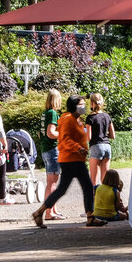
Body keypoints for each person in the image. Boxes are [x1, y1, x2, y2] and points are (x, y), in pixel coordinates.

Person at [31, 96, 107, 228]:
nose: (84, 107)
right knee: (73, 188)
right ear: (74, 106)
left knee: (79, 188)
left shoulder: (76, 120)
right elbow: (65, 139)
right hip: (70, 159)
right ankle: (40, 212)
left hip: (76, 159)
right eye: (81, 104)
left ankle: (90, 216)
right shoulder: (68, 119)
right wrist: (78, 148)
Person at [39, 89, 64, 220]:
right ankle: (49, 212)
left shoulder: (45, 113)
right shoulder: (53, 113)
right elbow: (51, 133)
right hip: (52, 149)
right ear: (56, 100)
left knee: (51, 182)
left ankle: (52, 209)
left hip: (45, 148)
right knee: (53, 182)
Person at [85, 92, 116, 186]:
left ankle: (94, 200)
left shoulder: (90, 118)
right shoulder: (107, 116)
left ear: (92, 103)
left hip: (96, 146)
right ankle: (105, 199)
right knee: (105, 180)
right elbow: (113, 135)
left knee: (93, 180)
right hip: (107, 146)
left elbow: (89, 137)